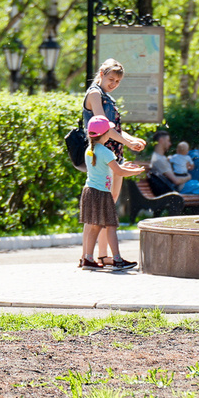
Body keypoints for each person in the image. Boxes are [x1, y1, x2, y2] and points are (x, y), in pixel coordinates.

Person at [83, 58, 146, 262]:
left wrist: (131, 140)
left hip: (113, 154)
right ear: (101, 74)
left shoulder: (108, 97)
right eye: (111, 79)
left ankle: (103, 256)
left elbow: (114, 129)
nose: (114, 84)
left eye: (118, 81)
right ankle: (87, 257)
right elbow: (103, 127)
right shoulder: (95, 94)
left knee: (108, 207)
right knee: (98, 209)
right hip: (101, 155)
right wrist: (127, 143)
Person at [79, 116, 144, 270]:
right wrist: (136, 172)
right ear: (106, 133)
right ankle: (117, 260)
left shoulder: (90, 150)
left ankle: (88, 259)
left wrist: (124, 167)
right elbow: (119, 171)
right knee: (111, 226)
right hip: (101, 194)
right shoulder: (106, 152)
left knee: (95, 226)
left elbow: (107, 168)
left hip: (89, 191)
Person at [151, 130, 199, 200]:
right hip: (183, 186)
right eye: (168, 141)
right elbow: (176, 181)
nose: (170, 144)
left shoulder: (162, 158)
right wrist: (188, 177)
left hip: (189, 184)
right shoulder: (158, 160)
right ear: (161, 140)